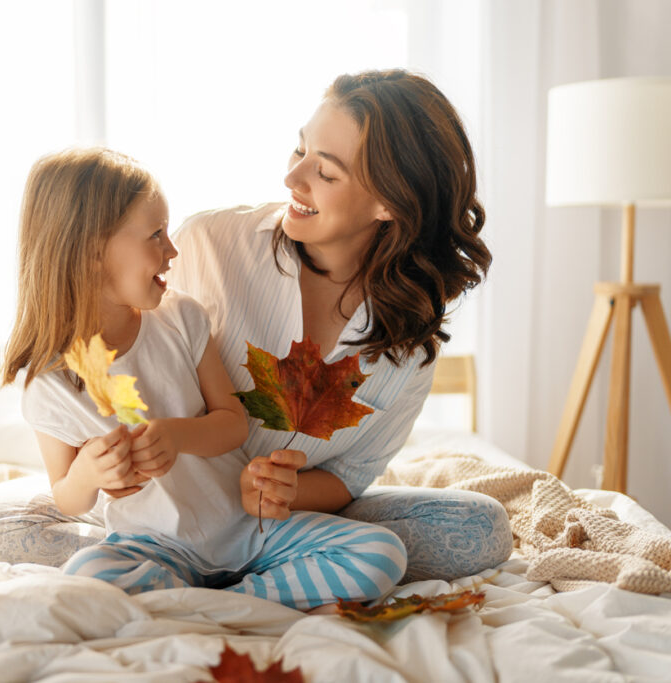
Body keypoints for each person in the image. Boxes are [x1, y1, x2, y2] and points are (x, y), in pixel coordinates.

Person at [0, 147, 407, 610]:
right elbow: (67, 497)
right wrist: (89, 474)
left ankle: (220, 604)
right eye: (156, 235)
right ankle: (235, 603)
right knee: (86, 577)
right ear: (91, 251)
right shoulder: (48, 384)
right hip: (154, 546)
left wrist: (176, 435)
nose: (172, 251)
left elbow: (231, 423)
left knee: (382, 554)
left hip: (246, 529)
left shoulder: (181, 319)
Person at [167, 69, 512, 581]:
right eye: (299, 150)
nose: (292, 179)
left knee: (481, 528)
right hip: (172, 512)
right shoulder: (208, 244)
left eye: (325, 174)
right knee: (10, 529)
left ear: (390, 203)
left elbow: (350, 476)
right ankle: (209, 571)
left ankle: (243, 585)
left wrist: (288, 492)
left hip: (290, 526)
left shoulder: (409, 338)